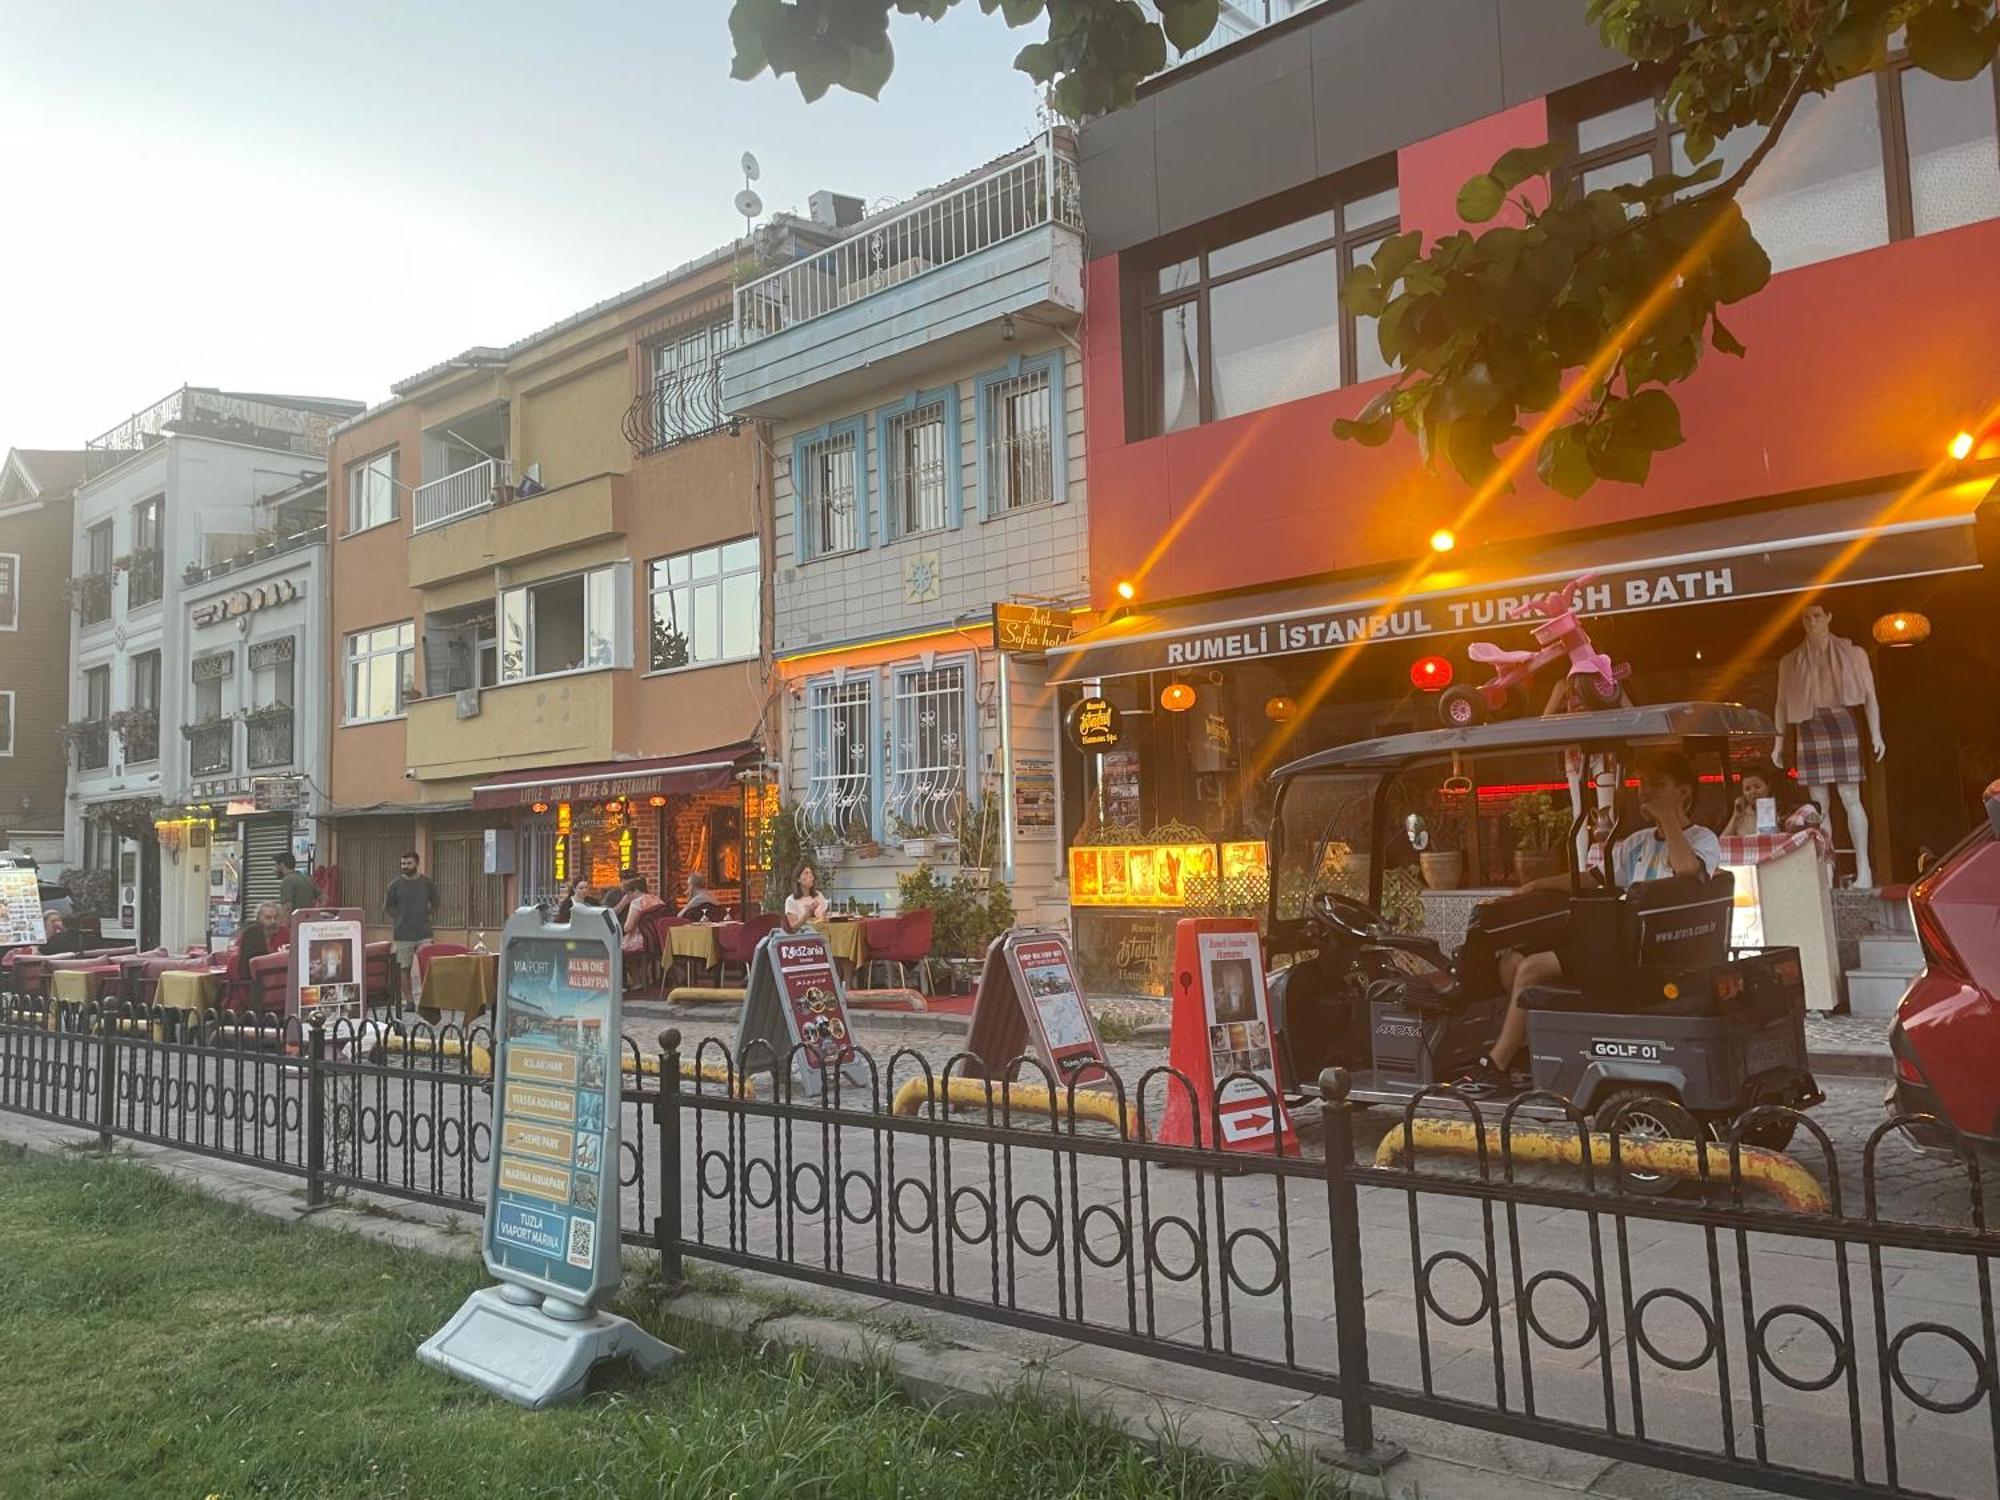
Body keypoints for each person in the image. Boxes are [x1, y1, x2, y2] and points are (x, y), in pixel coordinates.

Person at [1458, 751, 1722, 1096]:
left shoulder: (1704, 840)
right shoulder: (1636, 843)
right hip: (1618, 944)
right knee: (1512, 963)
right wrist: (1537, 885)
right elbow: (1594, 879)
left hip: (1656, 954)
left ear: (1684, 792)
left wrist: (1669, 819)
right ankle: (1526, 1056)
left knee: (1533, 970)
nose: (1645, 792)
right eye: (1643, 785)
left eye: (1657, 785)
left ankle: (1495, 1066)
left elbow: (1687, 871)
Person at [385, 851, 438, 1005]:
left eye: (408, 863)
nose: (405, 867)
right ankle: (409, 1001)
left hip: (424, 932)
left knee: (428, 968)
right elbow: (387, 907)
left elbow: (436, 903)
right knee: (404, 967)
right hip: (402, 934)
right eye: (403, 864)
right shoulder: (394, 885)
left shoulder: (427, 883)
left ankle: (428, 1000)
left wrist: (425, 915)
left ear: (417, 863)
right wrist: (400, 917)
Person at [1724, 763, 1788, 838]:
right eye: (1748, 789)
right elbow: (1723, 841)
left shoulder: (1781, 810)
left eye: (1757, 787)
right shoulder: (1740, 813)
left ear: (1768, 786)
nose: (1753, 792)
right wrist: (1735, 816)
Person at [236, 901, 283, 979]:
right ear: (258, 919)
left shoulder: (285, 933)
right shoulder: (250, 935)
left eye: (276, 917)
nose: (273, 921)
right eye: (268, 918)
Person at [783, 865, 829, 931]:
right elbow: (793, 926)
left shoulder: (819, 895)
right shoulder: (791, 900)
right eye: (806, 873)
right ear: (798, 879)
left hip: (822, 934)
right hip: (803, 937)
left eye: (811, 873)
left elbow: (825, 918)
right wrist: (808, 914)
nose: (810, 876)